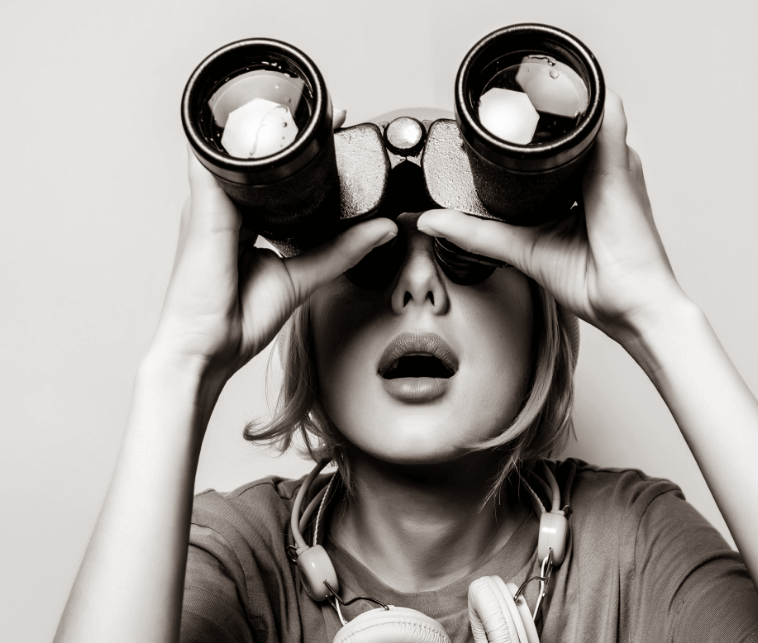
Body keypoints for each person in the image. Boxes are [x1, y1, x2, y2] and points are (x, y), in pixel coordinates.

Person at [53, 92, 758, 643]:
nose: (416, 288)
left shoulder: (633, 545)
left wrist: (659, 317)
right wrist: (182, 365)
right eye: (371, 254)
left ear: (543, 314)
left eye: (467, 252)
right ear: (307, 315)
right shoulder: (237, 556)